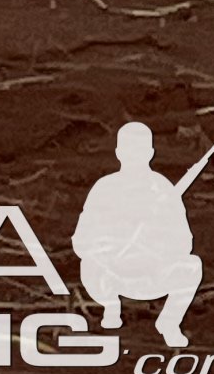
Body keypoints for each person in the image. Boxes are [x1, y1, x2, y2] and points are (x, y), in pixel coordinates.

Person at [76, 121, 205, 347]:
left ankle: (169, 322)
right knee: (89, 264)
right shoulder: (104, 188)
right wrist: (110, 243)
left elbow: (184, 243)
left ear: (150, 153)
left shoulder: (163, 190)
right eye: (129, 150)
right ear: (118, 153)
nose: (134, 156)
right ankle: (111, 307)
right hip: (112, 275)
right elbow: (81, 240)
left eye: (140, 150)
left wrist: (157, 238)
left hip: (152, 275)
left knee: (192, 266)